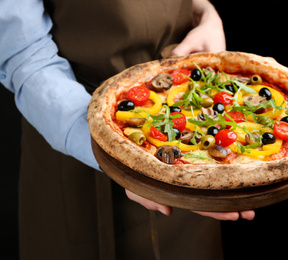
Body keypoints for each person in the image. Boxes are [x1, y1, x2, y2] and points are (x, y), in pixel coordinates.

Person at [0, 0, 255, 259]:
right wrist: (106, 138)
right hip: (71, 134)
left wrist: (205, 13)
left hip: (190, 127)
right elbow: (24, 54)